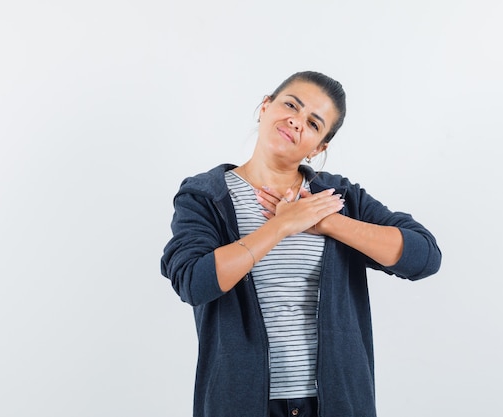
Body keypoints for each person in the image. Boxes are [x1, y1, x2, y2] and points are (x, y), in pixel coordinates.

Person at [160, 70, 441, 417]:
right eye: (291, 104)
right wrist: (281, 226)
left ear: (319, 147)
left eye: (313, 123)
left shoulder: (337, 198)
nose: (296, 121)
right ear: (265, 106)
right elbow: (194, 282)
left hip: (336, 403)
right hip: (241, 402)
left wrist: (327, 222)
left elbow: (424, 256)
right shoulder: (206, 196)